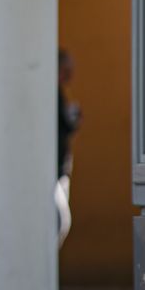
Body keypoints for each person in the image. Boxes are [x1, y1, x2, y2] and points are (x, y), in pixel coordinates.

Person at [56, 49, 81, 246]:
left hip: (60, 170)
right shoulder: (52, 95)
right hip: (54, 171)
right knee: (59, 222)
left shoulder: (58, 94)